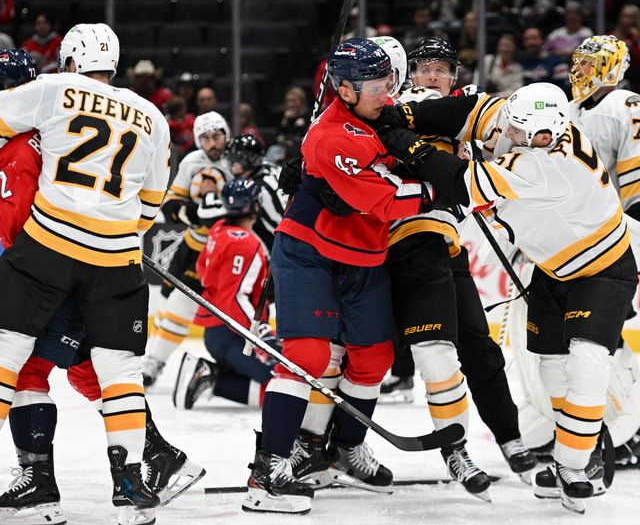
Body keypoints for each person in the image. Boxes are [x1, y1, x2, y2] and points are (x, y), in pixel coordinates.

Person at [372, 81, 639, 514]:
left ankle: (575, 463)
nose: (506, 135)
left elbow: (461, 182)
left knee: (588, 362)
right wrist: (408, 116)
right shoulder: (531, 122)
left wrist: (407, 143)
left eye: (517, 134)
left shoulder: (548, 165)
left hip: (603, 268)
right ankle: (566, 450)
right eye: (511, 127)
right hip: (553, 267)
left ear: (546, 136)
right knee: (550, 363)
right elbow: (471, 110)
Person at [0, 48, 204, 525]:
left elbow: (14, 226)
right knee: (96, 371)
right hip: (109, 263)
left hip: (47, 267)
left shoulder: (26, 139)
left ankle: (40, 487)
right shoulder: (136, 114)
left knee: (28, 370)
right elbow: (149, 202)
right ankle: (155, 460)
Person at [243, 38, 437, 514]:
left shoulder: (383, 111)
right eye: (376, 85)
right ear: (345, 90)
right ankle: (267, 470)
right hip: (310, 250)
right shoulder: (328, 137)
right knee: (308, 354)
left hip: (365, 254)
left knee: (373, 359)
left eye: (389, 81)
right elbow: (389, 199)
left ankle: (341, 449)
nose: (386, 91)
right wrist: (445, 185)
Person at [379, 36, 538, 497]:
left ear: (454, 77)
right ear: (410, 75)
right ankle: (454, 448)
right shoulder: (391, 104)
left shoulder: (460, 107)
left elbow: (497, 133)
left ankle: (510, 439)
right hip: (398, 242)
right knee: (427, 352)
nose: (432, 75)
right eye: (424, 67)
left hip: (445, 242)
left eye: (441, 69)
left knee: (479, 348)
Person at [567, 35, 640, 470]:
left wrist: (631, 250)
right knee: (565, 342)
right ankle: (581, 432)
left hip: (610, 246)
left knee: (601, 340)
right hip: (568, 248)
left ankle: (629, 434)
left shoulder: (631, 108)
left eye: (589, 63)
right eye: (577, 62)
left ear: (612, 67)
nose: (580, 71)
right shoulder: (570, 111)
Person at [142, 112, 231, 387]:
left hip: (226, 250)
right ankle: (153, 363)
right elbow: (170, 204)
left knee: (183, 308)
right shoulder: (191, 162)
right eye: (205, 138)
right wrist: (190, 213)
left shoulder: (237, 160)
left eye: (216, 135)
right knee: (171, 305)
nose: (212, 143)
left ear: (226, 135)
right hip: (193, 247)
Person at [173, 178, 276, 410]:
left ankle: (214, 373)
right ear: (255, 206)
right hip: (233, 334)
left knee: (282, 382)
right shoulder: (247, 244)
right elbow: (235, 299)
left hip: (220, 331)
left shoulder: (218, 229)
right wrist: (260, 334)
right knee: (281, 387)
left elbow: (201, 269)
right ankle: (212, 377)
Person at [611, 5, 640, 94]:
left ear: (637, 20)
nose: (627, 20)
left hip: (637, 79)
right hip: (616, 76)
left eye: (630, 17)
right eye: (624, 16)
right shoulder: (612, 36)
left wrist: (637, 41)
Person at [483, 33, 525, 99]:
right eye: (502, 45)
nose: (505, 49)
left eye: (508, 46)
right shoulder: (487, 61)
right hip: (484, 100)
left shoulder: (518, 68)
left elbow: (515, 91)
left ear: (514, 48)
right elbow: (477, 82)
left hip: (505, 102)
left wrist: (495, 96)